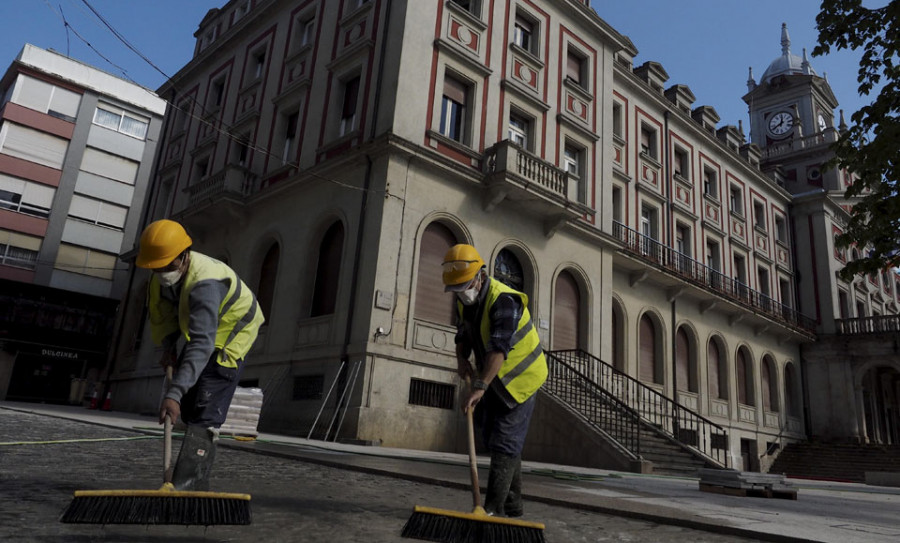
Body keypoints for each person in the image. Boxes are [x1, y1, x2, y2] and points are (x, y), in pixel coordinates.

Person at [135, 219, 265, 491]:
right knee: (190, 404)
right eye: (156, 267)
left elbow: (203, 343)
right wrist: (169, 347)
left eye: (167, 265)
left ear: (183, 256)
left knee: (205, 411)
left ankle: (190, 487)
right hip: (203, 336)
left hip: (230, 335)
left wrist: (172, 394)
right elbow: (163, 315)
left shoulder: (206, 283)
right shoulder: (161, 276)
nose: (161, 271)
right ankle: (181, 481)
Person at [442, 243, 547, 518]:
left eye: (463, 286)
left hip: (522, 378)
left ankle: (493, 509)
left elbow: (499, 348)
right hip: (495, 379)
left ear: (479, 276)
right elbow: (462, 334)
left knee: (505, 440)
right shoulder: (465, 300)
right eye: (455, 289)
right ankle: (513, 505)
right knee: (490, 434)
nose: (460, 293)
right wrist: (461, 359)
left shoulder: (504, 300)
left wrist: (479, 386)